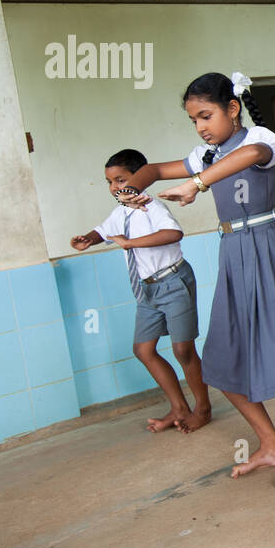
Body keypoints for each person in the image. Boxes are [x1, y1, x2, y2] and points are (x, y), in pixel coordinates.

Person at [121, 72, 275, 490]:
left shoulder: (260, 139)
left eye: (206, 115)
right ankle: (272, 445)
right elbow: (152, 169)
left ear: (233, 109)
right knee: (221, 363)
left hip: (269, 249)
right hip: (233, 254)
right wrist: (131, 188)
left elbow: (249, 154)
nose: (201, 126)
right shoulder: (207, 153)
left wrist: (197, 184)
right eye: (193, 120)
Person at [70, 149, 210, 433]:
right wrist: (89, 239)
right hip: (146, 290)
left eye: (120, 180)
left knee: (183, 350)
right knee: (143, 350)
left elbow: (173, 234)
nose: (114, 188)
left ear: (139, 178)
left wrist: (131, 243)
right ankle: (178, 408)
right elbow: (104, 230)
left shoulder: (152, 207)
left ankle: (203, 408)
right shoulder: (120, 211)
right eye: (110, 182)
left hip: (172, 282)